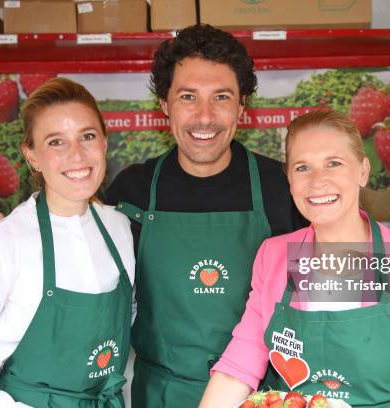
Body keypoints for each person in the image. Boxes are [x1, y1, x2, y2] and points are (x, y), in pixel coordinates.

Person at [200, 110, 390, 407]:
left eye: (334, 163)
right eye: (302, 167)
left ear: (363, 172)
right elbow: (239, 368)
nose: (318, 181)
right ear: (288, 177)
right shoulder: (273, 256)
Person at [105, 24, 304, 407]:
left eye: (222, 97)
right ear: (164, 104)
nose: (205, 116)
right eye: (188, 96)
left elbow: (343, 284)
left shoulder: (285, 187)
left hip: (265, 396)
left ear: (242, 106)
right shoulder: (131, 190)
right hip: (163, 396)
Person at [0, 78, 135, 407]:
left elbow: (126, 321)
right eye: (56, 142)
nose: (77, 154)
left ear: (105, 144)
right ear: (32, 156)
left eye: (87, 136)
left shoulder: (119, 227)